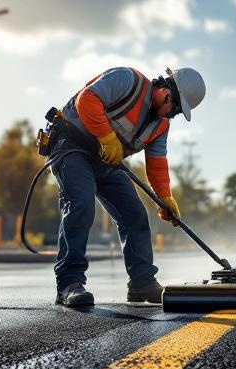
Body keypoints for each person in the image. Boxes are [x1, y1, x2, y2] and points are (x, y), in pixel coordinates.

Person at [51, 66, 206, 307]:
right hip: (72, 145)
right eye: (174, 108)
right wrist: (107, 136)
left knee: (134, 215)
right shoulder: (127, 80)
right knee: (81, 202)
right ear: (166, 90)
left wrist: (165, 197)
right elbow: (87, 100)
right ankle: (69, 284)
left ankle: (142, 283)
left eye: (176, 113)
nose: (171, 114)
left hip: (106, 159)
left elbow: (156, 163)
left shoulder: (160, 125)